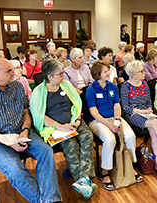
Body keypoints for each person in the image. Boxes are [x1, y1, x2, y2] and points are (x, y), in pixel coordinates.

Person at [0, 57, 62, 203]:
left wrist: (25, 130)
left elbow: (25, 113)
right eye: (9, 71)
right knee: (15, 169)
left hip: (20, 131)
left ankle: (50, 199)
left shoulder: (17, 86)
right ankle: (44, 201)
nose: (14, 73)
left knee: (46, 152)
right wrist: (9, 142)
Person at [30, 59, 97, 199]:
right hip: (55, 128)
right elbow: (39, 116)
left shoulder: (65, 85)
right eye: (60, 74)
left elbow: (77, 104)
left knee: (87, 136)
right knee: (70, 145)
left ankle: (83, 179)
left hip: (73, 121)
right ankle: (84, 182)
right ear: (50, 77)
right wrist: (61, 127)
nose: (63, 76)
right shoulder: (38, 92)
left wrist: (77, 120)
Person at [86, 60, 142, 191]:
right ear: (97, 74)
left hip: (114, 117)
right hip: (98, 120)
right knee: (109, 140)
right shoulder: (91, 89)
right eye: (105, 71)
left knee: (130, 136)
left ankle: (130, 166)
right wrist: (109, 124)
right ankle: (105, 172)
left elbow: (117, 105)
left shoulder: (112, 86)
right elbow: (93, 112)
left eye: (108, 71)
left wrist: (117, 119)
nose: (108, 73)